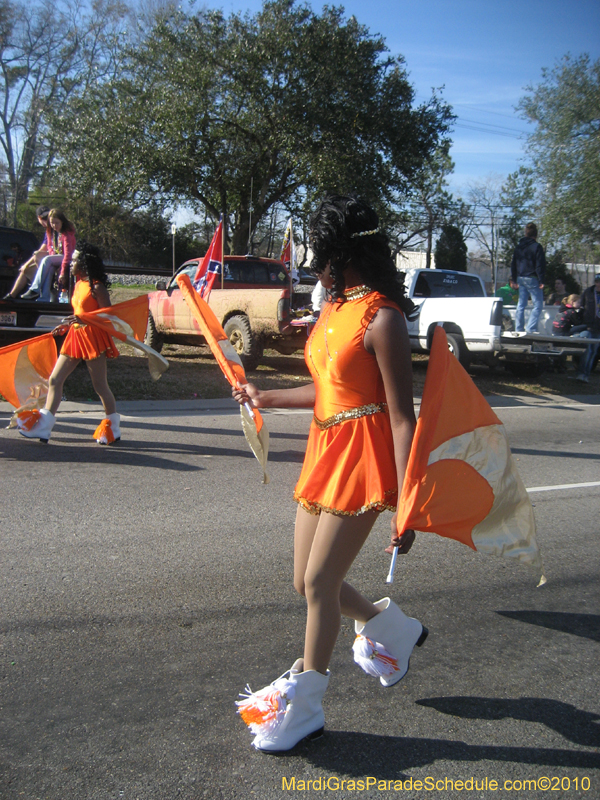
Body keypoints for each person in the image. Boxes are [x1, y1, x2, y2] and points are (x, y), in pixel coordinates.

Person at [232, 195, 426, 753]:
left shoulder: (383, 317)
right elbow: (328, 389)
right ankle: (392, 630)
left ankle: (306, 707)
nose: (317, 265)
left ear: (342, 251)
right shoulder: (334, 307)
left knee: (319, 585)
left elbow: (400, 415)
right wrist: (265, 394)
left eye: (323, 253)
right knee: (307, 581)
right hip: (323, 449)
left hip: (362, 460)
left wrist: (408, 497)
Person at [17, 243, 121, 444]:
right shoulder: (79, 284)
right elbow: (78, 313)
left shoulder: (96, 286)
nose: (69, 263)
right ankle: (44, 427)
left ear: (84, 263)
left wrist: (84, 320)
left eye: (73, 260)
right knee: (55, 380)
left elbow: (109, 316)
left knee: (100, 386)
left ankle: (113, 427)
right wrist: (67, 326)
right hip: (75, 337)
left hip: (93, 338)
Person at [22, 209, 76, 302]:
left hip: (67, 258)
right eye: (52, 223)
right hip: (56, 256)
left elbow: (67, 254)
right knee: (50, 268)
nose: (54, 225)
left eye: (57, 223)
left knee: (47, 260)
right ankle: (44, 298)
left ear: (62, 222)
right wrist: (53, 255)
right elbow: (50, 247)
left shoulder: (66, 233)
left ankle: (35, 289)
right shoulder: (50, 232)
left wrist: (63, 271)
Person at [2, 206, 52, 299]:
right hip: (46, 263)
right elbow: (42, 249)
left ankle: (39, 290)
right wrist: (26, 266)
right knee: (25, 271)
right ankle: (11, 296)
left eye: (48, 217)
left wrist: (26, 264)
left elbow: (41, 252)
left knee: (35, 258)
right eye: (44, 218)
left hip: (53, 263)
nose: (47, 220)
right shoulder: (48, 231)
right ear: (39, 218)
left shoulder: (54, 229)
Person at [510, 222, 546, 333]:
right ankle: (530, 328)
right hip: (532, 277)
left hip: (521, 277)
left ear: (526, 234)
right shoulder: (537, 247)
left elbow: (513, 263)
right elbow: (540, 264)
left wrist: (514, 279)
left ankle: (519, 328)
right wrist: (541, 280)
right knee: (538, 305)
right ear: (535, 235)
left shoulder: (519, 247)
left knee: (521, 304)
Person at [573, 274, 600, 383]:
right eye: (597, 281)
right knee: (587, 351)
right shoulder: (589, 292)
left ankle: (586, 375)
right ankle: (581, 373)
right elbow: (581, 307)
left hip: (599, 328)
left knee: (593, 352)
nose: (598, 284)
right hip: (588, 326)